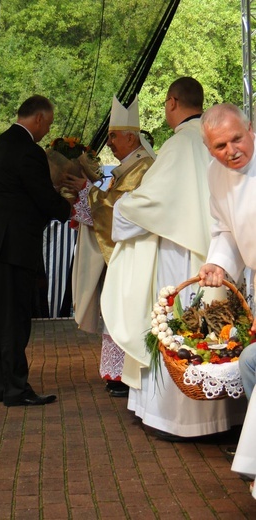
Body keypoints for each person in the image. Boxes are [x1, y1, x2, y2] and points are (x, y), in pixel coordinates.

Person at [100, 78, 246, 439]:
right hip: (218, 258)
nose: (227, 150)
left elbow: (152, 203)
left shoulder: (180, 144)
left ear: (171, 103)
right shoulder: (209, 145)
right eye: (222, 146)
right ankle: (225, 416)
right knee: (217, 331)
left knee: (185, 328)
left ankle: (181, 420)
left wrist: (120, 209)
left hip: (182, 256)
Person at [0, 95, 71, 407]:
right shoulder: (29, 151)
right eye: (49, 124)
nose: (47, 130)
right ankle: (16, 389)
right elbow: (41, 198)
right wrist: (68, 205)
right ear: (39, 119)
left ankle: (0, 386)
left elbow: (11, 195)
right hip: (12, 246)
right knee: (14, 318)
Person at [63, 95, 155, 397]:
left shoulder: (143, 167)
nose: (110, 142)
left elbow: (120, 210)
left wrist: (88, 191)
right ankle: (117, 373)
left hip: (135, 253)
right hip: (122, 255)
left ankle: (126, 373)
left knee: (127, 311)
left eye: (114, 136)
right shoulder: (127, 166)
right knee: (115, 310)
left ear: (131, 137)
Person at [198, 102, 256, 497]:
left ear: (250, 129)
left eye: (237, 138)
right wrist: (217, 263)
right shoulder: (215, 176)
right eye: (220, 145)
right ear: (209, 149)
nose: (231, 150)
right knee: (250, 363)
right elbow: (225, 232)